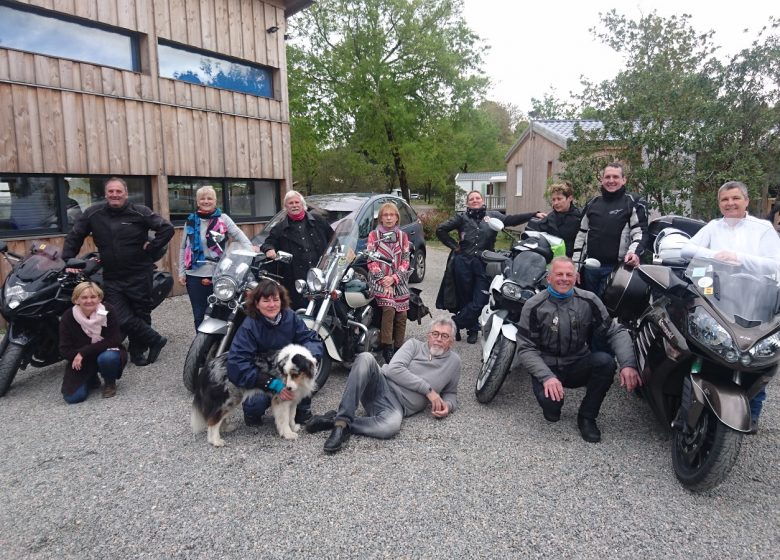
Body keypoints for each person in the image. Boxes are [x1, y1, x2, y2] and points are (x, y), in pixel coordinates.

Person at [681, 180, 780, 433]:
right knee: (709, 352)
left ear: (746, 201)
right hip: (719, 301)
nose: (730, 203)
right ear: (719, 203)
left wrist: (740, 259)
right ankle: (698, 407)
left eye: (735, 198)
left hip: (757, 302)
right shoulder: (714, 227)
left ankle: (753, 413)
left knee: (755, 360)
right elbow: (686, 249)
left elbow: (775, 263)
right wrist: (714, 255)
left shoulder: (763, 229)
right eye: (725, 200)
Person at [513, 257, 641, 443]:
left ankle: (587, 417)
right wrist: (546, 377)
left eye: (569, 274)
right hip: (547, 366)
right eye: (559, 274)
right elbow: (525, 348)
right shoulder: (533, 305)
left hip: (577, 363)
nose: (564, 278)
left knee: (605, 362)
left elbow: (614, 331)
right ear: (549, 278)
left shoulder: (589, 300)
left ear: (576, 277)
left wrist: (628, 364)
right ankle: (552, 400)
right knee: (552, 412)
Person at [305, 317, 461, 454]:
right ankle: (341, 423)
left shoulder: (454, 362)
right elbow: (394, 369)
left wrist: (447, 405)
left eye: (444, 336)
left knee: (390, 427)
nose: (438, 339)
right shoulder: (414, 345)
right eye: (435, 334)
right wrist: (428, 390)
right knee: (366, 358)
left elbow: (451, 393)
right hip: (380, 384)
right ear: (428, 336)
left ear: (451, 341)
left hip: (397, 407)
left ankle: (333, 421)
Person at [63, 177, 174, 366]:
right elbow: (75, 235)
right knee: (118, 315)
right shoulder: (93, 213)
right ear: (106, 194)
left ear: (125, 193)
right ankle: (155, 339)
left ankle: (138, 352)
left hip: (139, 272)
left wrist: (152, 248)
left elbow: (167, 228)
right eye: (111, 191)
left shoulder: (140, 212)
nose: (115, 195)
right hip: (112, 275)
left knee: (141, 313)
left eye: (118, 191)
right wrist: (68, 260)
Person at [436, 190, 545, 344]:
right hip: (463, 262)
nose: (475, 200)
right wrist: (455, 246)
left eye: (477, 198)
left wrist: (533, 214)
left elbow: (511, 220)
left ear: (482, 200)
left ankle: (455, 323)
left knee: (480, 298)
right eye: (471, 199)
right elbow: (441, 229)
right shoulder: (461, 217)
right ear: (467, 203)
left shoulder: (494, 216)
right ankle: (472, 329)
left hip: (485, 263)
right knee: (464, 296)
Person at [227, 279, 324, 427]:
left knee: (301, 386)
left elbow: (310, 339)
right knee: (255, 405)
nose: (272, 305)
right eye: (266, 301)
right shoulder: (249, 326)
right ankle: (253, 411)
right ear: (257, 303)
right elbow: (237, 363)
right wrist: (270, 383)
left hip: (289, 372)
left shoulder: (290, 317)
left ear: (281, 301)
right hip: (263, 374)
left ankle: (302, 408)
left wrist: (311, 357)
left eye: (276, 300)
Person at [178, 185, 256, 330]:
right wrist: (181, 272)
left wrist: (251, 253)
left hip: (220, 273)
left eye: (209, 198)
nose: (206, 201)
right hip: (194, 274)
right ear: (197, 201)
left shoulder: (223, 219)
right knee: (199, 315)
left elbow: (240, 237)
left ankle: (221, 347)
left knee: (222, 312)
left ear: (215, 201)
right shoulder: (190, 221)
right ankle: (201, 349)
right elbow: (183, 247)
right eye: (202, 198)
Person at [572, 162, 648, 298]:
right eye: (607, 177)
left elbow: (640, 233)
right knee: (588, 308)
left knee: (608, 312)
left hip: (618, 269)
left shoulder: (633, 202)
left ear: (624, 180)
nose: (611, 181)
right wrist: (575, 267)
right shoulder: (592, 203)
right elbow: (581, 236)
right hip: (590, 267)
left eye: (615, 177)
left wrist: (634, 253)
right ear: (602, 180)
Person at [261, 190, 332, 311]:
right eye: (290, 203)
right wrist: (269, 249)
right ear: (285, 207)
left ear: (302, 204)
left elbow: (334, 240)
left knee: (328, 310)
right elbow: (268, 242)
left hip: (322, 276)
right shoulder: (280, 228)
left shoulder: (318, 221)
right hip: (297, 282)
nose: (294, 205)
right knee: (302, 313)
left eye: (296, 202)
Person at [58, 282, 127, 403]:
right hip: (83, 361)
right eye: (84, 297)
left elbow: (114, 339)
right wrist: (80, 355)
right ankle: (91, 378)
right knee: (73, 398)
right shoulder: (68, 317)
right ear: (76, 300)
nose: (89, 300)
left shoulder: (108, 310)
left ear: (99, 298)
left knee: (108, 358)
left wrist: (83, 352)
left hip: (104, 352)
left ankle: (109, 382)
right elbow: (64, 349)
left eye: (93, 297)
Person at [367, 202, 411, 364]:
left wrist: (394, 278)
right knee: (389, 308)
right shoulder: (374, 235)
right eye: (385, 215)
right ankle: (388, 348)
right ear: (381, 218)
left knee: (402, 313)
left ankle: (400, 348)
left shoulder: (402, 236)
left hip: (397, 280)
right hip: (379, 280)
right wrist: (384, 281)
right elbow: (371, 260)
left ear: (397, 217)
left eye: (392, 215)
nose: (389, 217)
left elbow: (406, 260)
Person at [526, 182, 582, 257]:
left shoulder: (580, 218)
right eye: (553, 199)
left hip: (573, 262)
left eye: (559, 199)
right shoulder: (548, 219)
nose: (555, 203)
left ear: (570, 198)